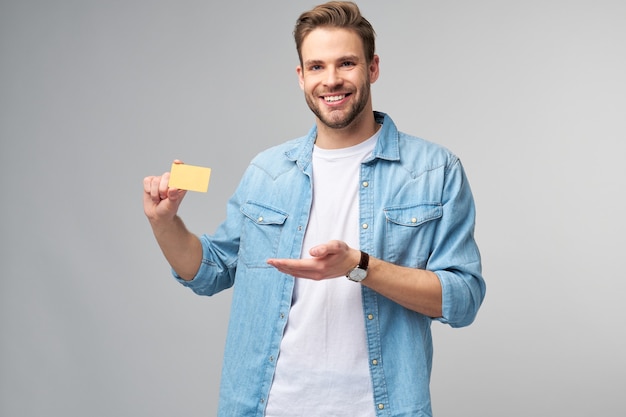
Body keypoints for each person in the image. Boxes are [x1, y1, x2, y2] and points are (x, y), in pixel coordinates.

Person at [143, 2, 486, 416]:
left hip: (380, 407)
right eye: (317, 66)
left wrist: (358, 265)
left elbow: (462, 299)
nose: (332, 80)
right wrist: (165, 225)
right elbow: (211, 272)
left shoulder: (433, 170)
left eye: (346, 63)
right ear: (301, 76)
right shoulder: (267, 171)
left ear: (372, 68)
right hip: (266, 406)